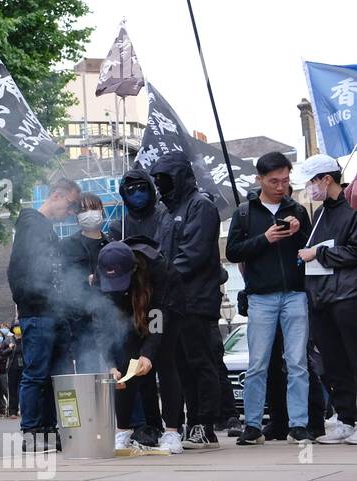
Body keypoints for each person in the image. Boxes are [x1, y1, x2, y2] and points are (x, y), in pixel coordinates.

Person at [225, 151, 313, 446]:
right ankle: (252, 424)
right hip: (261, 296)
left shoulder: (297, 210)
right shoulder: (245, 213)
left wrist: (299, 234)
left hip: (295, 294)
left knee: (298, 361)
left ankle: (298, 424)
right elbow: (232, 251)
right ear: (259, 179)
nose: (281, 186)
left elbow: (310, 251)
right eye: (274, 181)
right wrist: (265, 239)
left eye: (286, 181)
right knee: (258, 363)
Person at [151, 154, 225, 450]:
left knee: (201, 362)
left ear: (179, 176)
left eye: (164, 179)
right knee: (181, 364)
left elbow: (192, 254)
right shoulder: (168, 211)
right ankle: (192, 422)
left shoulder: (201, 206)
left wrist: (160, 278)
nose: (159, 185)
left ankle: (205, 426)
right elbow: (161, 253)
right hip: (175, 301)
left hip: (196, 299)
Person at [8, 178, 81, 450]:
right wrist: (31, 299)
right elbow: (17, 270)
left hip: (54, 312)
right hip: (39, 312)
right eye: (71, 204)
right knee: (37, 373)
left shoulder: (46, 229)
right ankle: (32, 430)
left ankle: (49, 429)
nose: (71, 212)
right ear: (58, 196)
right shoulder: (30, 223)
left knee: (55, 375)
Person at [296, 154, 357, 446]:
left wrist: (317, 253)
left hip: (347, 296)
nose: (310, 188)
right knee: (333, 364)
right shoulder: (320, 213)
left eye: (312, 182)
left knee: (353, 358)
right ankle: (346, 419)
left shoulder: (352, 209)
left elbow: (353, 251)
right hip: (320, 297)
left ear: (326, 179)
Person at [96, 240, 172, 453]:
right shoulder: (101, 276)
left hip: (161, 307)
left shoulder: (156, 271)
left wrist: (147, 355)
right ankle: (122, 431)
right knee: (124, 367)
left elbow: (157, 319)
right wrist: (110, 364)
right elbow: (102, 328)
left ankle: (172, 431)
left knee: (165, 361)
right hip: (127, 308)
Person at [60, 191, 110, 372]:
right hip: (81, 321)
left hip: (109, 318)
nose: (89, 213)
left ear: (101, 211)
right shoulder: (66, 245)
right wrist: (84, 280)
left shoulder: (112, 244)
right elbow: (62, 281)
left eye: (93, 208)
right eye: (84, 209)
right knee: (88, 371)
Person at [111, 168, 169, 242]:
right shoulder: (119, 227)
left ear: (150, 190)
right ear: (124, 195)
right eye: (130, 190)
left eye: (142, 188)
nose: (137, 194)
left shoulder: (165, 219)